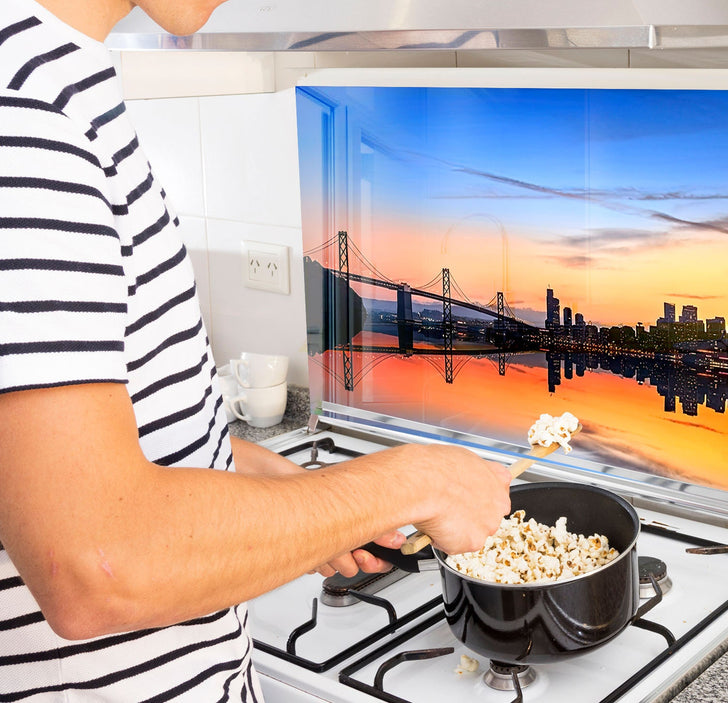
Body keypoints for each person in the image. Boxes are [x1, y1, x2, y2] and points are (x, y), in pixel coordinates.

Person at [0, 0, 513, 699]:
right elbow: (97, 563)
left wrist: (299, 498)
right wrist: (416, 480)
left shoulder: (56, 80)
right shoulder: (24, 117)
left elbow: (85, 452)